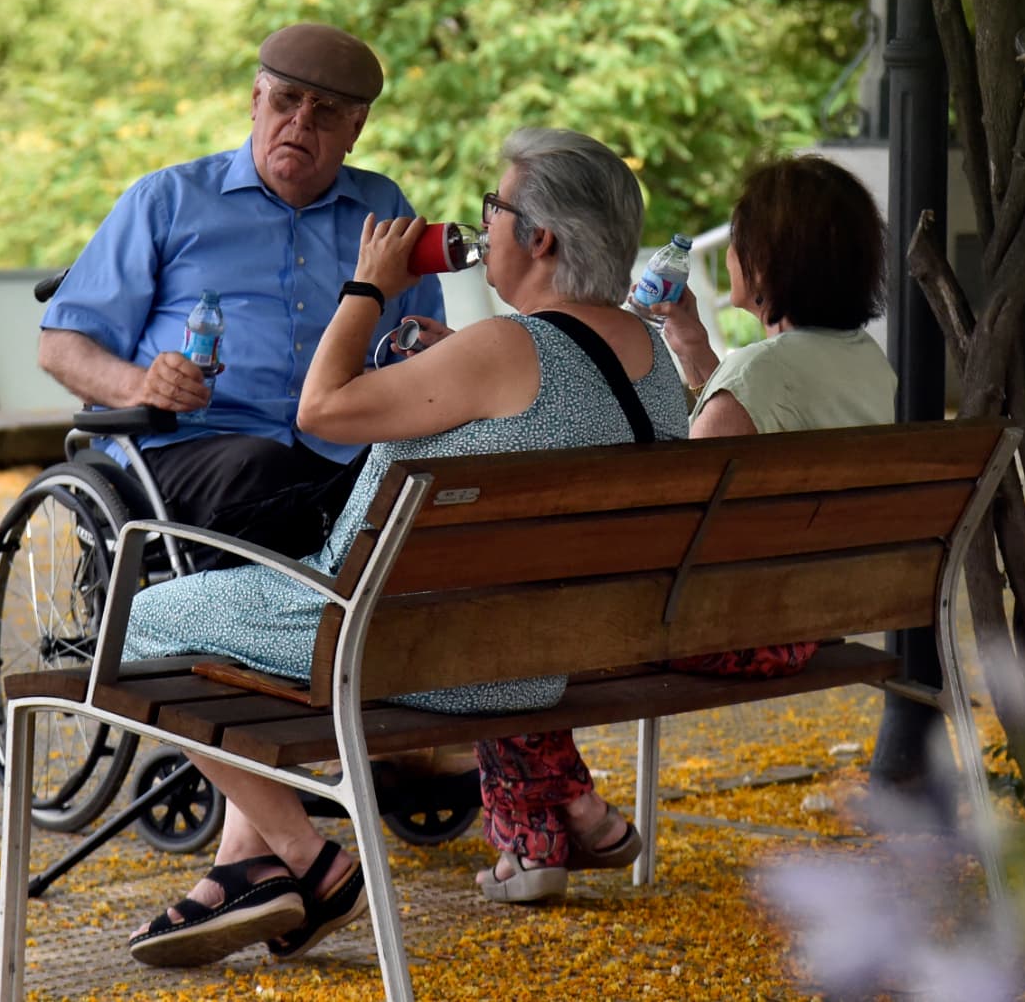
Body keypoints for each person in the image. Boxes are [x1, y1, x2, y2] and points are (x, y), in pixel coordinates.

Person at [117, 128, 689, 969]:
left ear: (542, 239)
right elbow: (526, 407)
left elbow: (320, 409)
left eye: (496, 207)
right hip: (553, 655)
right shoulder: (653, 362)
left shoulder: (503, 345)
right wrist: (438, 361)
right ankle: (249, 861)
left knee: (138, 621)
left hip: (386, 641)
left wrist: (367, 286)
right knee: (214, 615)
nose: (481, 222)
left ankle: (308, 860)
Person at [474, 152, 895, 904]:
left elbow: (679, 532)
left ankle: (546, 829)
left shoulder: (757, 380)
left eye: (737, 237)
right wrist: (697, 354)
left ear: (763, 261)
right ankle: (569, 814)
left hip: (732, 633)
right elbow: (754, 425)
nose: (725, 252)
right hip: (821, 615)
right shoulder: (871, 367)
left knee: (506, 624)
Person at [38, 23, 446, 563]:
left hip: (344, 450)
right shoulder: (169, 200)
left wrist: (432, 353)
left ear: (356, 127)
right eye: (286, 99)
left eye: (325, 110)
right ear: (257, 100)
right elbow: (62, 345)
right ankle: (259, 638)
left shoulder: (384, 210)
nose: (300, 121)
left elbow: (418, 348)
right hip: (186, 445)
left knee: (441, 482)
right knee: (269, 475)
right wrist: (142, 384)